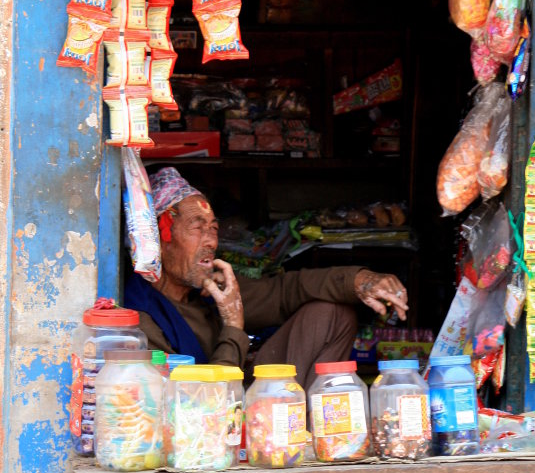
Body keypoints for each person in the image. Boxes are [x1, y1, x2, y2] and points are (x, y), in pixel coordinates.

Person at [124, 167, 409, 392]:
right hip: (207, 427)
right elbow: (202, 403)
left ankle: (312, 431)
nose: (211, 240)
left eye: (213, 228)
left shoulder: (209, 289)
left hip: (254, 406)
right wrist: (234, 326)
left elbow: (284, 291)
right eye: (197, 228)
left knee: (331, 314)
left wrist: (359, 280)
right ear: (158, 240)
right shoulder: (139, 318)